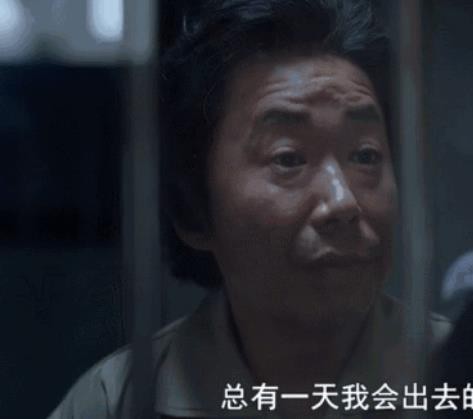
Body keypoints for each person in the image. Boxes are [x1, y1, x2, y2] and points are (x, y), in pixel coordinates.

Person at [49, 0, 451, 417]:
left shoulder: (468, 378)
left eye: (365, 156)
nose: (342, 201)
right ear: (193, 208)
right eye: (289, 158)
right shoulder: (115, 401)